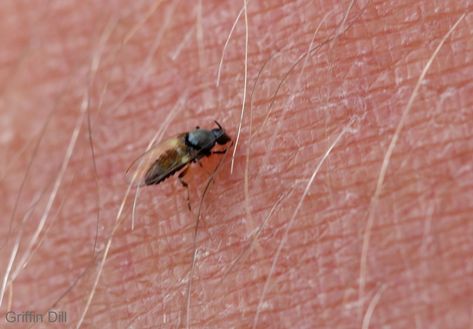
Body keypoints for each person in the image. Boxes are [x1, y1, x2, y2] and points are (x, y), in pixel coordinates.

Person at [1, 1, 471, 328]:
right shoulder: (197, 151)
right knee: (184, 175)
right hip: (179, 153)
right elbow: (187, 156)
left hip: (179, 146)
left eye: (217, 138)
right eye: (217, 141)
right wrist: (201, 161)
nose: (220, 141)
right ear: (207, 142)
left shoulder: (195, 139)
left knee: (185, 166)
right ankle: (187, 196)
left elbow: (184, 145)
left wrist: (203, 148)